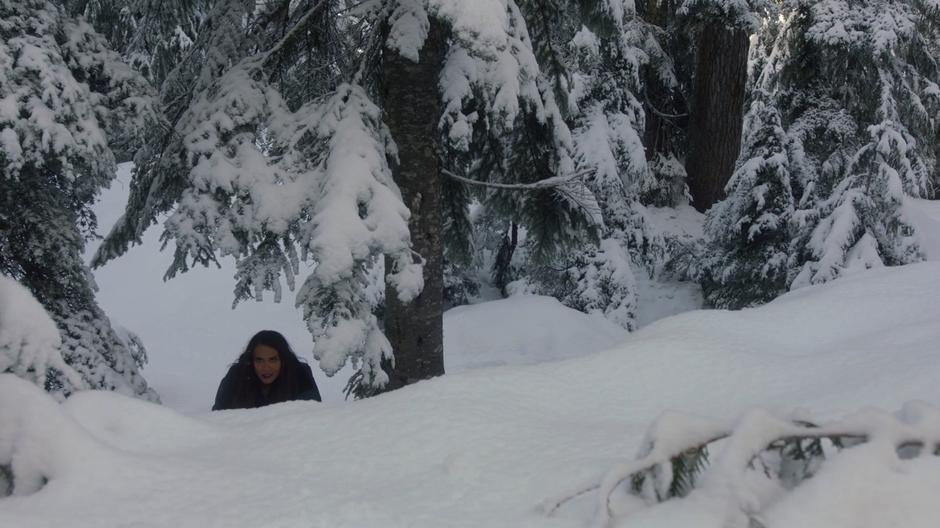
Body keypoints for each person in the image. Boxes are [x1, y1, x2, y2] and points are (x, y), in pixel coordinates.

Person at [212, 330, 321, 410]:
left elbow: (312, 415)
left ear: (283, 360)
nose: (266, 367)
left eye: (273, 360)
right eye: (259, 360)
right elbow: (219, 416)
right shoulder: (237, 375)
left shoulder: (299, 374)